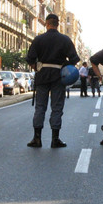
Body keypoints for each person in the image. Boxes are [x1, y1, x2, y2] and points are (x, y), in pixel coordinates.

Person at [26, 14, 80, 148]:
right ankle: (55, 139)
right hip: (58, 77)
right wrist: (63, 63)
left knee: (40, 107)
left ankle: (37, 138)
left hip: (42, 76)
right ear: (58, 24)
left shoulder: (38, 39)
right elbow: (74, 59)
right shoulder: (65, 40)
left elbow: (30, 59)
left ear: (46, 24)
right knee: (56, 108)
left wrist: (38, 67)